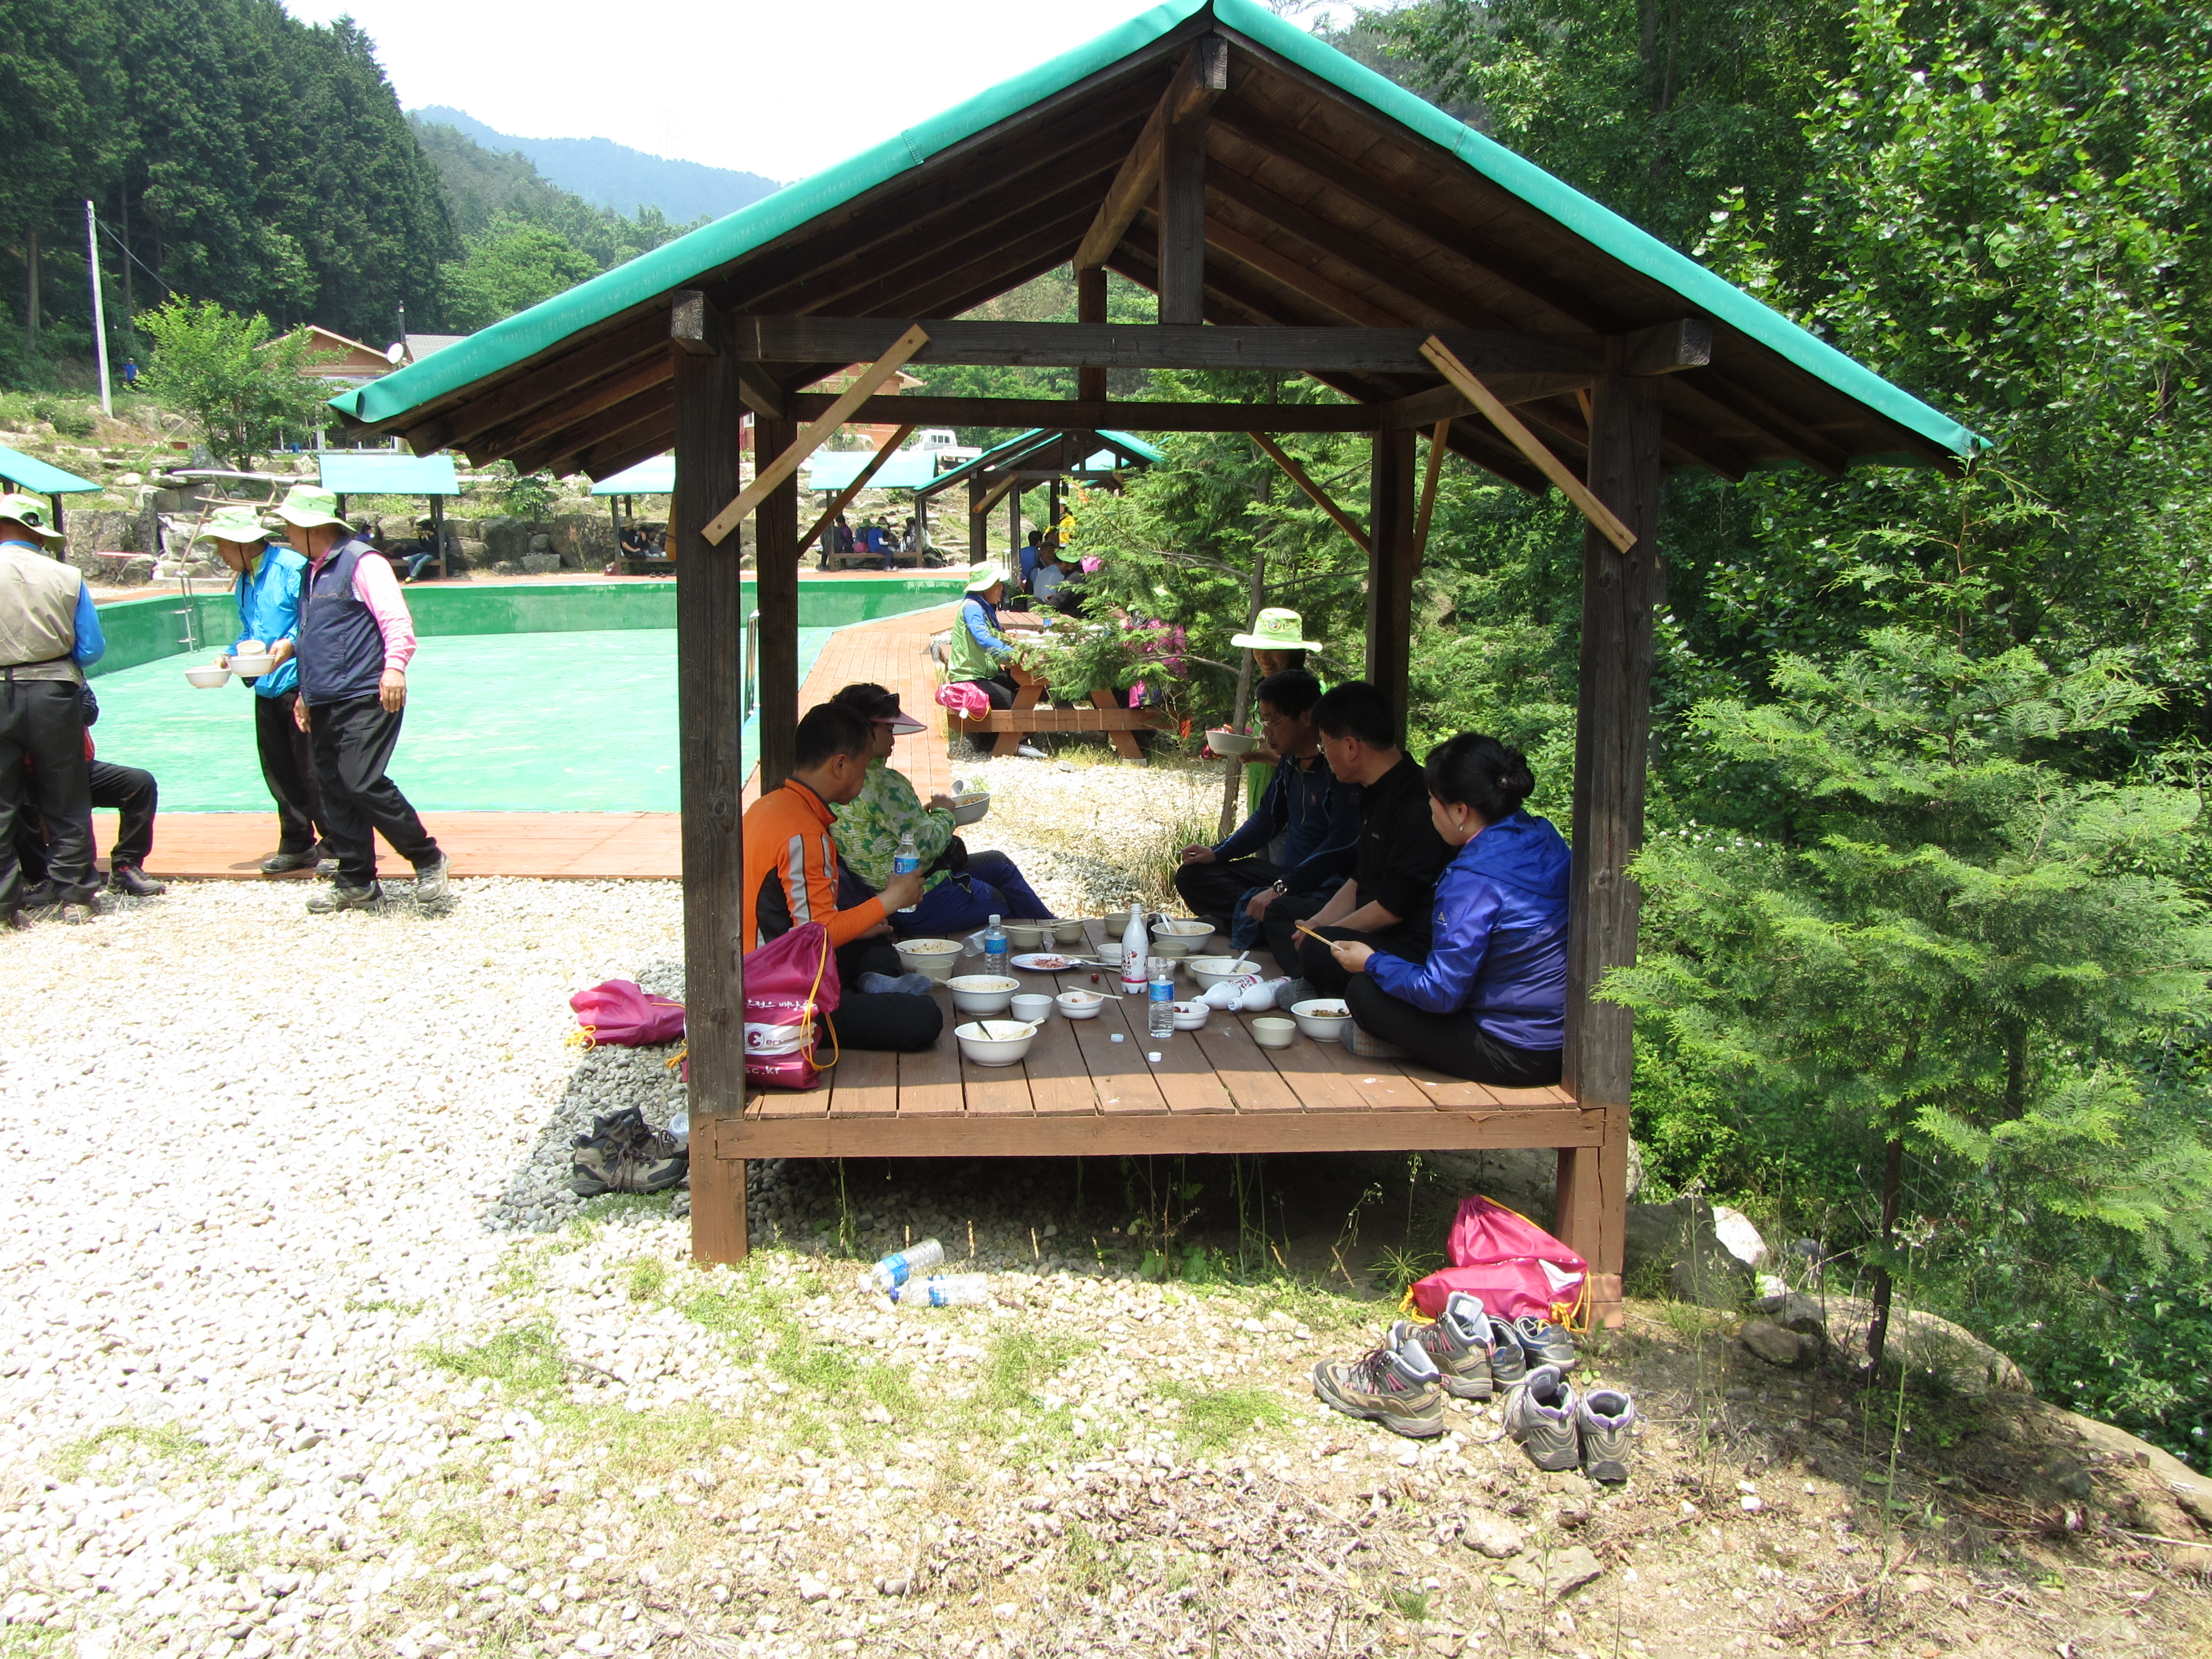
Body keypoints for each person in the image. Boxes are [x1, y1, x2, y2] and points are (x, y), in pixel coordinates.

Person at [1324, 734, 1568, 1085]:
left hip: (1511, 1049)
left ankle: (1402, 1047)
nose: (1429, 808)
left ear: (1460, 811)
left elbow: (1441, 993)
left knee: (1364, 993)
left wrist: (1371, 962)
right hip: (1559, 1040)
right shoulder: (1543, 835)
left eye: (1432, 799)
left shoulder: (1472, 880)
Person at [279, 484, 450, 914]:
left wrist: (395, 668)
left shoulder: (363, 562)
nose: (285, 534)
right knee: (334, 788)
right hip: (324, 696)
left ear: (311, 527)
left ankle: (427, 857)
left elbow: (396, 620)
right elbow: (312, 635)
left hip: (365, 692)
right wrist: (305, 693)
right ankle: (356, 880)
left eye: (289, 526)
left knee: (362, 781)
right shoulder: (312, 571)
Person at [742, 702, 943, 1052]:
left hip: (762, 963)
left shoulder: (769, 805)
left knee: (873, 942)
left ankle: (866, 991)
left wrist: (863, 922)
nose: (864, 779)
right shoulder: (805, 834)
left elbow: (799, 923)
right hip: (777, 996)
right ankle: (859, 999)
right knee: (924, 1018)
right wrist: (892, 899)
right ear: (840, 765)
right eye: (863, 769)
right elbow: (818, 934)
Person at [1263, 680, 1454, 997]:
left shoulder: (1417, 803)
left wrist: (1326, 934)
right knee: (1284, 914)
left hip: (1407, 941)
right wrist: (1316, 924)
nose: (1324, 755)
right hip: (1369, 918)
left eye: (1325, 746)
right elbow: (1359, 878)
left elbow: (1392, 909)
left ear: (1351, 747)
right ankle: (1308, 981)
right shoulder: (1371, 790)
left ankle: (1314, 984)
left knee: (1317, 948)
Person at [827, 682, 1053, 937]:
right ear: (863, 730)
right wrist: (945, 812)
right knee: (1003, 903)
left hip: (880, 895)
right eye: (888, 730)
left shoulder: (836, 779)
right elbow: (927, 846)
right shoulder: (884, 784)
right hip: (922, 899)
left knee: (998, 864)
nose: (893, 739)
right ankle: (1048, 938)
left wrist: (923, 816)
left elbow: (887, 831)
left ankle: (1053, 928)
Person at [1175, 669, 1358, 948]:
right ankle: (1258, 921)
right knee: (1193, 876)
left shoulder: (1338, 770)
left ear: (1307, 717)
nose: (1265, 732)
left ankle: (1258, 921)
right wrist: (1216, 852)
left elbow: (1341, 845)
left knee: (1281, 908)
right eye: (1263, 721)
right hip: (1286, 879)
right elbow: (1266, 820)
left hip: (1325, 889)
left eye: (1273, 721)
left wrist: (1281, 889)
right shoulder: (1290, 762)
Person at [200, 505, 331, 875]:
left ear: (242, 544)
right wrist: (229, 655)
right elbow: (251, 633)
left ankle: (337, 842)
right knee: (278, 769)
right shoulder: (245, 579)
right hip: (266, 686)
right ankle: (297, 844)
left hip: (299, 682)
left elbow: (311, 619)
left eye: (222, 546)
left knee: (313, 768)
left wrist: (290, 643)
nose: (220, 554)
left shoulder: (291, 567)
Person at [0, 493, 105, 927]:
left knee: (2, 804)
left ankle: (4, 907)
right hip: (53, 690)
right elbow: (91, 648)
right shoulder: (67, 575)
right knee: (66, 796)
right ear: (39, 535)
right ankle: (75, 896)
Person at [14, 685, 165, 902]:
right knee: (15, 799)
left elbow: (89, 712)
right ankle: (41, 878)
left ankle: (125, 868)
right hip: (27, 773)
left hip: (77, 769)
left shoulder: (68, 678)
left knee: (139, 783)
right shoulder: (11, 681)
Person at [944, 562, 1023, 708]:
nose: (1001, 588)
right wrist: (1012, 654)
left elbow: (987, 634)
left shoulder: (981, 606)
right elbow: (983, 638)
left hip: (983, 675)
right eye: (998, 584)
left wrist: (1003, 637)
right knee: (1016, 704)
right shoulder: (973, 607)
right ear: (985, 587)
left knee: (1021, 687)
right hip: (970, 678)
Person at [1030, 538, 1071, 605]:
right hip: (1046, 607)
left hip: (1037, 607)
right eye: (1049, 552)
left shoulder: (1044, 571)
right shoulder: (1057, 576)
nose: (1051, 555)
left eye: (1053, 553)